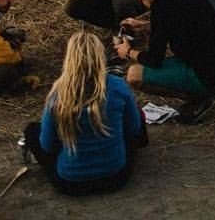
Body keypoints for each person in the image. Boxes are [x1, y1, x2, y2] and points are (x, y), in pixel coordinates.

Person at [24, 31, 147, 196]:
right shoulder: (117, 86)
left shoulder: (58, 94)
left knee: (32, 131)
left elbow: (47, 146)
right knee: (136, 114)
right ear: (101, 57)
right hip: (116, 177)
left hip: (70, 184)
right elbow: (134, 131)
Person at [114, 0, 215, 124]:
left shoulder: (161, 10)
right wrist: (142, 26)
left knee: (134, 75)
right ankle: (203, 92)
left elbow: (154, 60)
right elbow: (177, 24)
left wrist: (128, 52)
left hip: (206, 75)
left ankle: (200, 97)